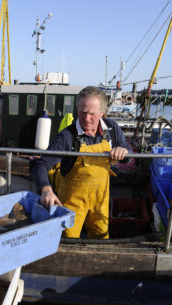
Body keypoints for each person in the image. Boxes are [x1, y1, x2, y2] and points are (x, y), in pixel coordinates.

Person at [30, 86, 132, 239]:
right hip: (72, 201)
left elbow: (129, 154)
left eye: (92, 114)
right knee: (66, 238)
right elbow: (41, 165)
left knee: (101, 236)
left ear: (102, 113)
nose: (86, 118)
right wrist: (46, 189)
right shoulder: (67, 137)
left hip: (101, 200)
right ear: (77, 110)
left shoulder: (112, 129)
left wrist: (124, 153)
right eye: (83, 112)